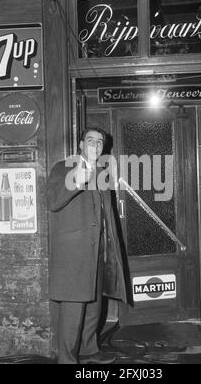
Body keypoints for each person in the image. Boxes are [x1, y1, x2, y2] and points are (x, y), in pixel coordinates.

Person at [47, 127, 128, 364]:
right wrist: (75, 182)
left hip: (99, 250)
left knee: (94, 304)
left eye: (99, 142)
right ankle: (67, 360)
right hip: (74, 253)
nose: (95, 145)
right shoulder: (64, 167)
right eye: (90, 140)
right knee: (73, 310)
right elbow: (52, 201)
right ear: (81, 145)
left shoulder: (102, 172)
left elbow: (105, 213)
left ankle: (89, 350)